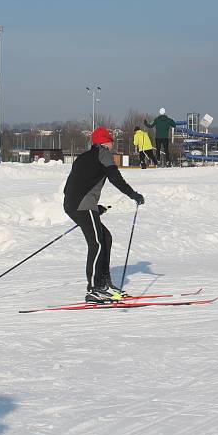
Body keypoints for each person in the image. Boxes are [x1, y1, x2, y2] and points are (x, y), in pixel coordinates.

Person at [63, 127, 145, 303]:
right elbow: (116, 178)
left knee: (105, 237)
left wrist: (94, 207)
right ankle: (93, 289)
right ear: (104, 142)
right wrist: (133, 195)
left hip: (75, 205)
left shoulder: (83, 157)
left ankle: (104, 284)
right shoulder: (103, 153)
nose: (112, 143)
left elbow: (75, 184)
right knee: (97, 243)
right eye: (111, 140)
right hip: (83, 206)